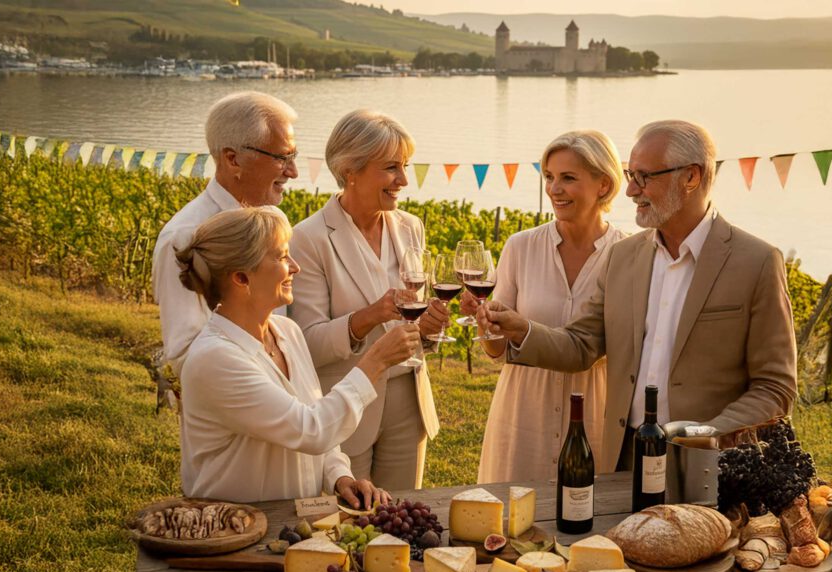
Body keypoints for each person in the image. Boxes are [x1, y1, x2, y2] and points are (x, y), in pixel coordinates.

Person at [479, 120, 797, 473]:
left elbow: (775, 387)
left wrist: (706, 435)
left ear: (691, 177)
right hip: (622, 457)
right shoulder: (624, 256)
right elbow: (582, 344)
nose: (630, 190)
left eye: (644, 177)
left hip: (710, 465)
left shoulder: (756, 261)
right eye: (631, 174)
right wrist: (522, 330)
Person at [175, 206, 420, 504]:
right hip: (231, 528)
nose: (295, 266)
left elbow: (317, 424)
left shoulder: (287, 332)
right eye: (281, 257)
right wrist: (376, 361)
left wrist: (339, 476)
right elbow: (311, 429)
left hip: (288, 526)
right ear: (241, 278)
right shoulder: (215, 359)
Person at [289, 110, 446, 491]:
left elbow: (412, 324)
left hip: (410, 400)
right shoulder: (308, 239)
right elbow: (307, 344)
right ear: (351, 170)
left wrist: (428, 329)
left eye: (405, 166)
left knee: (402, 519)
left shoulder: (410, 227)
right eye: (391, 167)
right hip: (347, 402)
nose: (404, 180)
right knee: (350, 524)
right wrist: (371, 315)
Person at [465, 130, 626, 483]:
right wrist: (486, 324)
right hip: (524, 412)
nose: (554, 189)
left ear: (603, 184)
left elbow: (626, 347)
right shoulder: (520, 247)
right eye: (549, 177)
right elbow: (497, 351)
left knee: (588, 522)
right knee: (512, 520)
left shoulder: (628, 255)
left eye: (568, 178)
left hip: (594, 410)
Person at [153, 91, 299, 376]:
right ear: (233, 159)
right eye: (282, 158)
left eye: (293, 156)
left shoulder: (275, 218)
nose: (293, 171)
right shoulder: (184, 237)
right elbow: (184, 353)